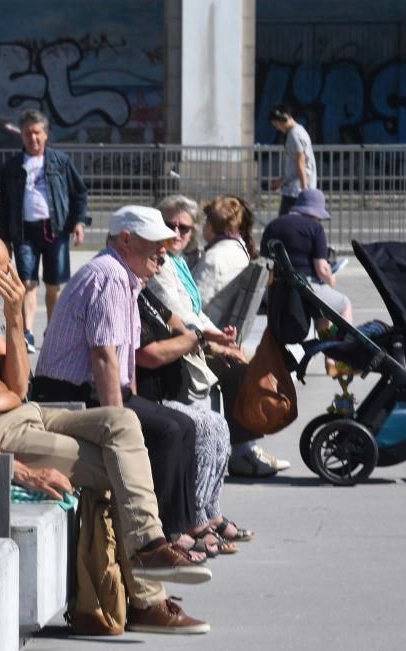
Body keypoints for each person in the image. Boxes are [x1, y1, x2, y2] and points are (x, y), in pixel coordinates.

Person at [0, 226, 211, 634]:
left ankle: (148, 548)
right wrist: (19, 471)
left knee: (122, 421)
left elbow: (16, 387)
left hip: (27, 413)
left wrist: (14, 319)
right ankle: (146, 597)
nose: (9, 285)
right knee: (118, 472)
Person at [31, 206, 202, 544]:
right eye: (156, 243)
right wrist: (118, 423)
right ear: (126, 239)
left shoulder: (126, 277)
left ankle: (178, 525)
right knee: (166, 431)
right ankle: (161, 536)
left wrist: (131, 403)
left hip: (96, 389)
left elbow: (124, 364)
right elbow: (104, 357)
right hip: (69, 394)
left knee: (183, 425)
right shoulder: (109, 274)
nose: (163, 253)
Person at [149, 195, 291, 478]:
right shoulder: (161, 263)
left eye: (185, 228)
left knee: (238, 363)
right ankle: (242, 452)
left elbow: (193, 309)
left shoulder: (176, 261)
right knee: (236, 366)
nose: (177, 233)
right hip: (168, 345)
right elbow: (176, 315)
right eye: (170, 225)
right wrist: (215, 342)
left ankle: (242, 450)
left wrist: (217, 337)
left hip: (187, 339)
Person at [135, 282, 254, 557]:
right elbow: (149, 356)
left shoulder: (143, 292)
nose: (161, 257)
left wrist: (208, 339)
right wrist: (195, 340)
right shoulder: (124, 291)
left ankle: (209, 511)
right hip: (149, 396)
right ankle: (190, 520)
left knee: (217, 424)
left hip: (166, 392)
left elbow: (178, 324)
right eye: (157, 249)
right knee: (197, 427)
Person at [0, 109, 89, 354]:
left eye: (37, 133)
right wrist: (4, 239)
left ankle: (53, 330)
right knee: (26, 282)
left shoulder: (60, 161)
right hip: (25, 232)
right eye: (28, 133)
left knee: (54, 285)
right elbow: (3, 205)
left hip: (55, 230)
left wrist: (78, 222)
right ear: (22, 136)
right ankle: (27, 332)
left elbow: (79, 193)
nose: (33, 138)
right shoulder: (12, 167)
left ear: (46, 135)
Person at [260, 188, 353, 330]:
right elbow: (322, 269)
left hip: (274, 292)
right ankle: (336, 349)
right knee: (344, 304)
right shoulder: (315, 228)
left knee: (323, 308)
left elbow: (264, 259)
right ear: (316, 213)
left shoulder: (273, 225)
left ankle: (328, 347)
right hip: (304, 289)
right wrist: (331, 280)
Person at [269, 104, 317, 216]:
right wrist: (281, 181)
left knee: (284, 224)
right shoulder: (299, 130)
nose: (277, 128)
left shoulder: (294, 135)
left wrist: (304, 189)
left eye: (276, 124)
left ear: (282, 119)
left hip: (295, 190)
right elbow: (295, 166)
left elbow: (301, 162)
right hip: (295, 187)